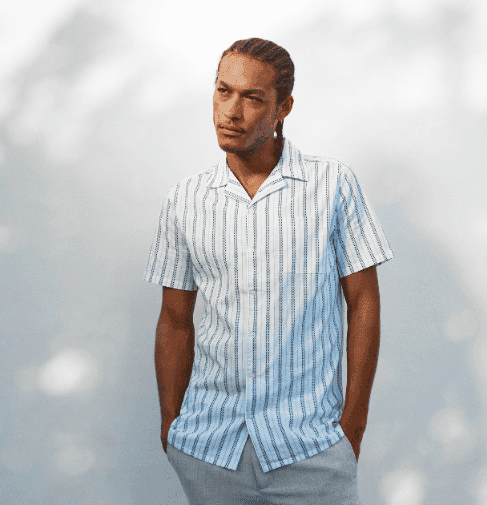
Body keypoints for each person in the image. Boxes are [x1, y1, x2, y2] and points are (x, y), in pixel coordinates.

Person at [145, 37, 393, 505]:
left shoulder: (333, 186)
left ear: (283, 108)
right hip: (211, 449)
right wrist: (173, 426)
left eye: (252, 98)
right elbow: (174, 320)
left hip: (311, 449)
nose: (231, 112)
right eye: (223, 91)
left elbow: (364, 303)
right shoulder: (185, 199)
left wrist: (352, 427)